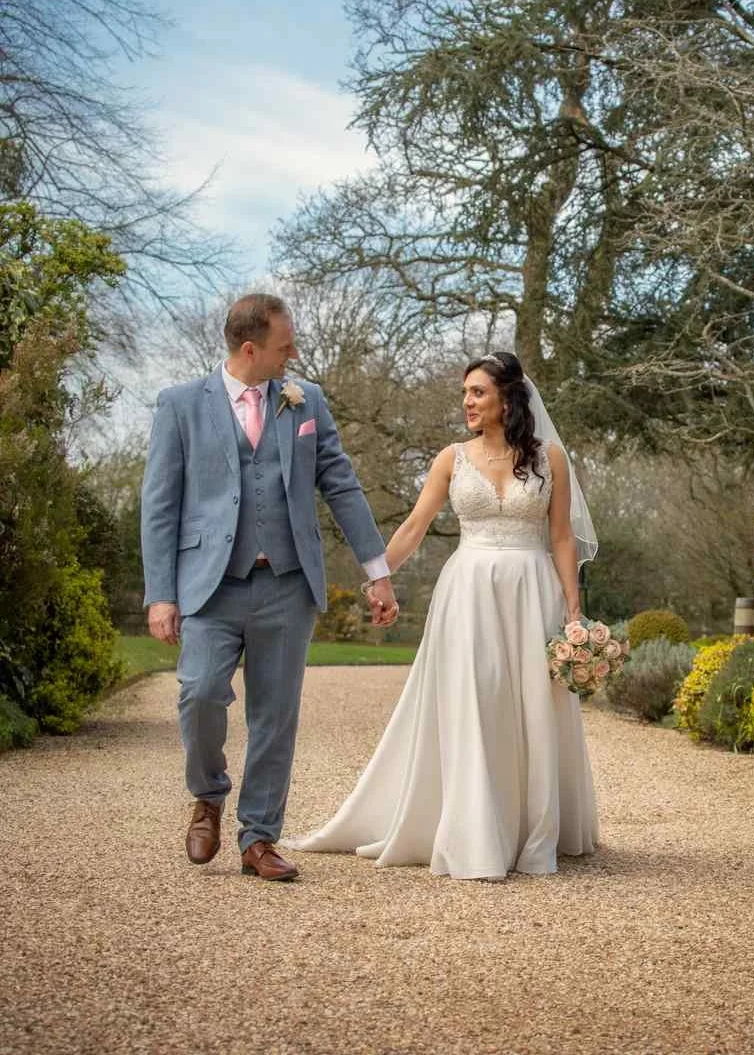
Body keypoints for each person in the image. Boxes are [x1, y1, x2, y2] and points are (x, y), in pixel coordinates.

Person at [288, 351, 599, 879]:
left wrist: (574, 609)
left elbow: (562, 536)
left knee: (531, 708)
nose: (468, 403)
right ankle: (476, 831)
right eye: (465, 394)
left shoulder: (552, 459)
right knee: (478, 701)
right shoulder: (451, 458)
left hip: (532, 591)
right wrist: (378, 576)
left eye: (477, 392)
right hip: (469, 594)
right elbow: (413, 526)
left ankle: (531, 832)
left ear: (508, 397)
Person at [140, 293, 397, 883]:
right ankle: (207, 796)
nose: (295, 355)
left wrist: (376, 569)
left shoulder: (306, 401)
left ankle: (259, 837)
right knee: (200, 693)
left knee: (275, 716)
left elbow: (343, 485)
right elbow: (160, 506)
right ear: (250, 348)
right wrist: (161, 592)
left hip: (287, 583)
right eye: (286, 346)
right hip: (209, 584)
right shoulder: (180, 405)